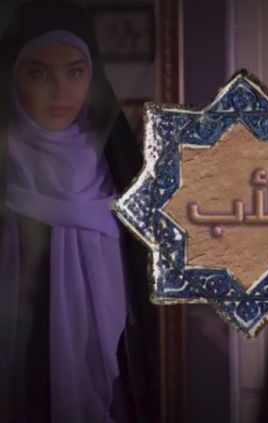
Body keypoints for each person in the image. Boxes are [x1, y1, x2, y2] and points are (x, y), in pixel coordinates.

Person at [0, 1, 158, 421]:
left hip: (111, 381)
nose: (60, 91)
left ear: (93, 75)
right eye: (39, 73)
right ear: (12, 76)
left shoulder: (118, 171)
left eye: (74, 72)